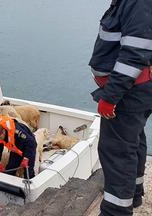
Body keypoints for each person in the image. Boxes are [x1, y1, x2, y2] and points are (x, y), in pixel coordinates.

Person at [89, 1, 152, 215]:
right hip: (138, 89)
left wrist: (110, 97)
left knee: (117, 151)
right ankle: (133, 194)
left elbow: (133, 55)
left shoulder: (138, 2)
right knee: (133, 141)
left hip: (129, 92)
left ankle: (115, 211)